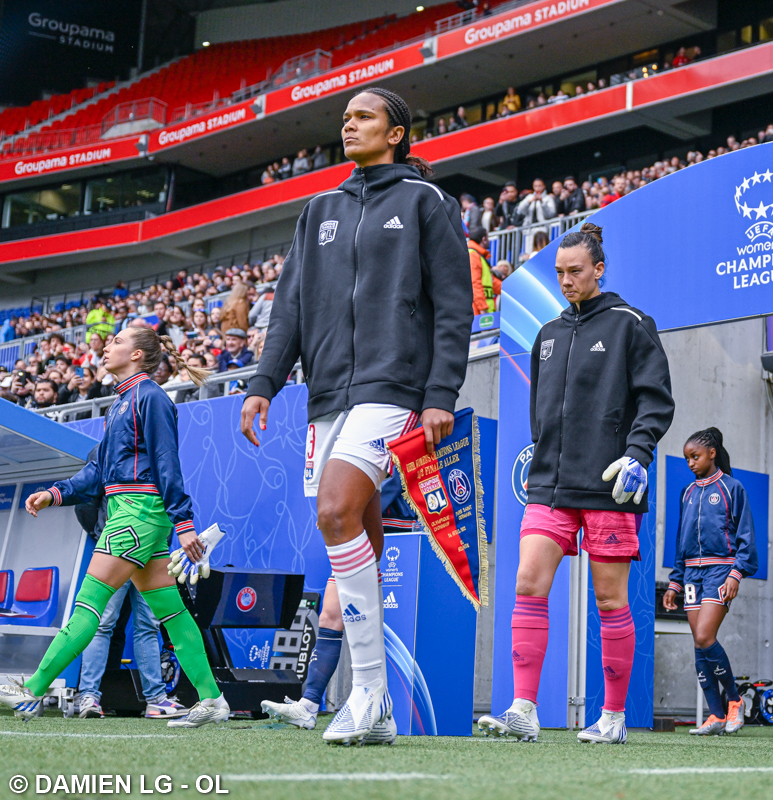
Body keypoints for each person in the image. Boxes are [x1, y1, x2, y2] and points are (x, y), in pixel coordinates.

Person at [242, 85, 471, 746]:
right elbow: (288, 307)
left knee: (335, 509)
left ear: (396, 132)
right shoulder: (318, 209)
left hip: (395, 389)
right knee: (356, 532)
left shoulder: (426, 202)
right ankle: (374, 705)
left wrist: (441, 394)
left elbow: (454, 306)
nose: (349, 124)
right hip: (326, 397)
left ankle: (367, 693)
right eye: (344, 117)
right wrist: (264, 382)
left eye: (364, 116)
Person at [477, 222, 674, 745]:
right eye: (560, 272)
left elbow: (656, 401)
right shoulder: (548, 334)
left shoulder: (633, 324)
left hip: (611, 486)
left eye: (576, 271)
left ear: (599, 269)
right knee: (526, 583)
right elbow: (540, 412)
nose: (566, 280)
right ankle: (524, 708)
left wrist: (637, 454)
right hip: (550, 486)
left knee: (610, 602)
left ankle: (612, 718)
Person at [0, 328, 228, 727]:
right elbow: (97, 472)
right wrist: (54, 493)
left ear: (138, 354)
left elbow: (166, 461)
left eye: (116, 342)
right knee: (172, 615)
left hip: (135, 516)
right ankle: (212, 698)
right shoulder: (122, 402)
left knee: (89, 606)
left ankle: (33, 689)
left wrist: (185, 522)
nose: (105, 346)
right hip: (138, 517)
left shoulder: (151, 397)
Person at [262, 472, 418, 731]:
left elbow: (387, 473)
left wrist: (345, 506)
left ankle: (378, 711)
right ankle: (309, 705)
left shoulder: (378, 439)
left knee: (370, 622)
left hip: (392, 529)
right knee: (329, 617)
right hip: (354, 531)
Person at [662, 428, 756, 736]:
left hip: (720, 571)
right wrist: (675, 582)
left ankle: (735, 701)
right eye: (687, 458)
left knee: (704, 636)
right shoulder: (687, 493)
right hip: (691, 574)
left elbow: (746, 537)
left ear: (712, 453)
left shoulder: (732, 488)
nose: (690, 463)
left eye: (695, 456)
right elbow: (680, 541)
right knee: (699, 644)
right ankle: (716, 715)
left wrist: (736, 573)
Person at [467, 226, 500, 315]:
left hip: (483, 314)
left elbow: (491, 282)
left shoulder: (478, 256)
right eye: (488, 238)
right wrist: (483, 309)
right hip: (478, 315)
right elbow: (475, 284)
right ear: (484, 239)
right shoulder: (473, 256)